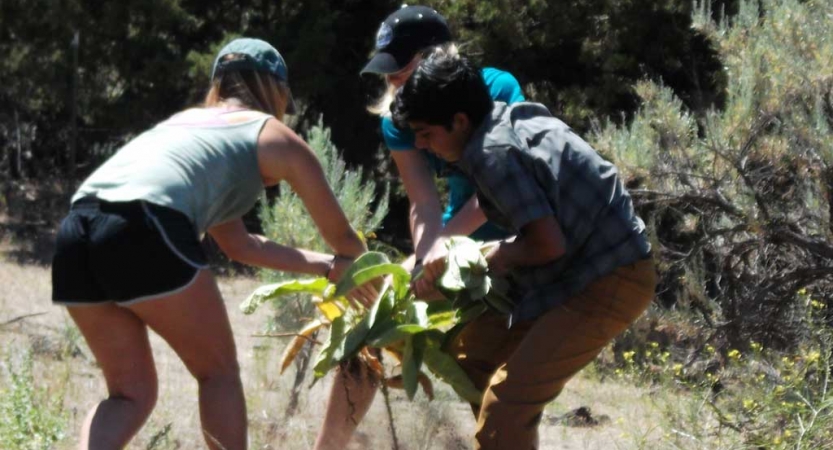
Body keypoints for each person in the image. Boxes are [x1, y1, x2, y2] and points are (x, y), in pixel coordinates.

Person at [51, 38, 368, 450]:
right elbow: (343, 237)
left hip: (75, 231)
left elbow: (240, 244)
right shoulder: (274, 135)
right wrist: (367, 275)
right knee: (217, 373)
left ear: (218, 85)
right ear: (278, 92)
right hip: (145, 223)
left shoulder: (187, 126)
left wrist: (327, 266)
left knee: (130, 395)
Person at [391, 53, 658, 449]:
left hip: (610, 275)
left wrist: (483, 258)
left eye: (427, 133)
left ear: (459, 121)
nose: (421, 145)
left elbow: (546, 244)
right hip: (578, 270)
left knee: (504, 409)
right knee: (471, 359)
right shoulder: (504, 119)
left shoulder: (492, 153)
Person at [314, 5, 526, 448]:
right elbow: (423, 200)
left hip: (513, 240)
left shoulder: (496, 88)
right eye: (387, 72)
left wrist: (440, 248)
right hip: (454, 244)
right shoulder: (399, 122)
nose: (392, 81)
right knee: (367, 335)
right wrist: (426, 254)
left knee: (487, 371)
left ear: (435, 55)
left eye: (401, 69)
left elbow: (498, 192)